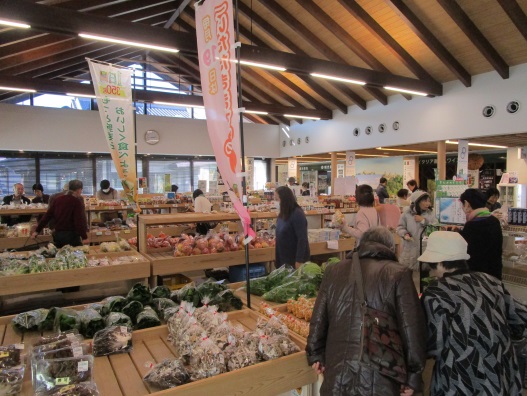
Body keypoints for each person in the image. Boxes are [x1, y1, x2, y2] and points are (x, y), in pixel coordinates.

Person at [307, 227, 427, 395]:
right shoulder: (399, 274)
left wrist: (315, 354)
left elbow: (318, 318)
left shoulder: (333, 270)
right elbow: (412, 329)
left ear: (361, 244)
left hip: (337, 373)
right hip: (381, 377)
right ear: (390, 248)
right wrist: (414, 376)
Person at [420, 231, 527, 396]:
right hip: (500, 372)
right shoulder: (491, 281)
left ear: (439, 262)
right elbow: (520, 317)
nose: (431, 271)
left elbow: (434, 345)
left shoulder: (436, 292)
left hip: (461, 377)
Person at [459, 188, 503, 280]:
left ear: (467, 204)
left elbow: (468, 255)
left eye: (462, 205)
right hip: (495, 277)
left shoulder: (471, 226)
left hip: (478, 281)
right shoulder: (494, 221)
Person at [32, 179, 88, 248]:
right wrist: (84, 237)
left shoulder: (58, 199)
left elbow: (47, 216)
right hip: (72, 236)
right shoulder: (77, 201)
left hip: (58, 234)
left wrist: (37, 231)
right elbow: (78, 220)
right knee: (76, 256)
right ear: (79, 190)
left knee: (60, 256)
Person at [397, 190, 438, 270]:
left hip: (425, 251)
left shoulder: (431, 214)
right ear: (417, 202)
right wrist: (405, 234)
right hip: (409, 252)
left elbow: (435, 230)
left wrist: (424, 221)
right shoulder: (406, 214)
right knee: (408, 277)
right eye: (425, 201)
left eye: (429, 201)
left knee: (424, 278)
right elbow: (399, 228)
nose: (428, 204)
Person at [274, 186, 310, 268]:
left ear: (284, 199)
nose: (275, 202)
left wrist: (299, 260)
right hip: (283, 259)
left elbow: (302, 238)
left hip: (294, 260)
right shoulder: (282, 214)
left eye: (277, 199)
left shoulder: (297, 214)